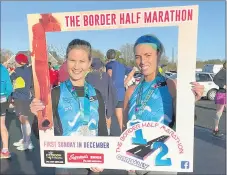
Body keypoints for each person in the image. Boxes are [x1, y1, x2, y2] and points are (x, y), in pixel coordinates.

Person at [123, 34, 204, 175]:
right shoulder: (131, 90)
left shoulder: (171, 85)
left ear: (158, 54)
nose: (142, 61)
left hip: (162, 163)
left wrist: (191, 101)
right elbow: (125, 127)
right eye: (138, 56)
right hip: (134, 163)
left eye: (148, 55)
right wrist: (124, 155)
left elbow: (183, 121)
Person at [30, 39, 107, 175]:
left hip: (93, 164)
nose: (77, 66)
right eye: (72, 60)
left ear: (89, 63)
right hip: (66, 164)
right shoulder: (55, 94)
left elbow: (102, 130)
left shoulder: (97, 94)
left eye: (82, 61)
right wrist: (38, 116)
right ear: (66, 61)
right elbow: (40, 135)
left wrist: (103, 158)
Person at [31, 14, 61, 130]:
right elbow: (34, 41)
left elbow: (58, 28)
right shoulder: (35, 26)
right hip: (39, 62)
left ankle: (46, 117)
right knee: (42, 92)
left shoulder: (49, 27)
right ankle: (44, 117)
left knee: (46, 93)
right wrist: (33, 52)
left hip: (42, 61)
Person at [105, 49, 137, 132]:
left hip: (111, 93)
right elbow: (133, 70)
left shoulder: (108, 65)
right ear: (115, 56)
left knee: (108, 115)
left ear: (107, 56)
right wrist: (125, 82)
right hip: (120, 92)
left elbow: (109, 73)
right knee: (119, 115)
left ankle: (108, 132)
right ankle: (121, 132)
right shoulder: (122, 65)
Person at [86, 58, 118, 135]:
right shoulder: (106, 76)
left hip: (93, 101)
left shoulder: (88, 76)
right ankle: (107, 133)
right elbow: (112, 90)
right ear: (101, 66)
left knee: (93, 119)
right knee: (107, 117)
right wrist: (113, 102)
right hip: (105, 102)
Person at [10, 53, 34, 151]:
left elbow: (10, 81)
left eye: (16, 61)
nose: (14, 63)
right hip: (25, 97)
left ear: (19, 62)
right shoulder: (28, 70)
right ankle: (25, 139)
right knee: (23, 119)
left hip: (21, 98)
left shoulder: (17, 71)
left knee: (24, 120)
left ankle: (28, 142)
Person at [0, 63, 13, 159]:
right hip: (2, 99)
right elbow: (9, 88)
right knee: (2, 124)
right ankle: (5, 150)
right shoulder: (4, 69)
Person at [213, 61, 226, 137]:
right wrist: (223, 86)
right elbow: (215, 79)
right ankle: (216, 129)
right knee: (219, 112)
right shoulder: (223, 71)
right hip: (222, 94)